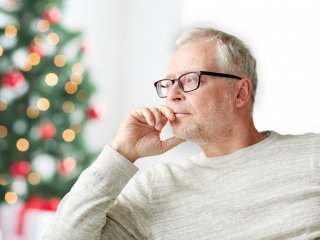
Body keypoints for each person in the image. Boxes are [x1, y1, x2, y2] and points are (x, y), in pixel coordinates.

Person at [43, 28, 320, 240]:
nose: (172, 95)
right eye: (168, 83)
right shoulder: (156, 187)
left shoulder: (313, 155)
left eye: (189, 80)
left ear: (240, 93)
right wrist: (120, 153)